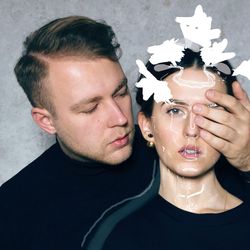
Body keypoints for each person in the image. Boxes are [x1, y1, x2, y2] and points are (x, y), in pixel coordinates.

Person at [0, 16, 249, 250]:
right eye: (91, 108)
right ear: (46, 121)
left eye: (120, 93)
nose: (120, 118)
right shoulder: (14, 211)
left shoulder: (179, 144)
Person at [102, 48, 250, 250]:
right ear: (147, 126)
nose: (191, 130)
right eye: (174, 110)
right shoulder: (122, 237)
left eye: (208, 112)